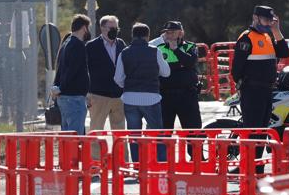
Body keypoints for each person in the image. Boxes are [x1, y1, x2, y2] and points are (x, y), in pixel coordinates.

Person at [231, 5, 289, 172]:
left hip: (266, 90)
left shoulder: (267, 36)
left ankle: (256, 167)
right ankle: (248, 167)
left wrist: (277, 30)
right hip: (252, 90)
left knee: (263, 131)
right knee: (252, 130)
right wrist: (244, 85)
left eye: (271, 20)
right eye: (266, 20)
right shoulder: (246, 38)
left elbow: (284, 52)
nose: (268, 23)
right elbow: (236, 69)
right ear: (255, 18)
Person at [114, 23, 170, 162]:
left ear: (133, 35)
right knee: (158, 134)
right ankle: (160, 163)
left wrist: (128, 86)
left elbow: (118, 78)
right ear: (147, 36)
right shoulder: (154, 51)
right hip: (151, 97)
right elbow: (166, 72)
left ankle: (138, 166)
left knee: (134, 136)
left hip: (130, 98)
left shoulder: (124, 53)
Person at [86, 15, 127, 158]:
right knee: (96, 131)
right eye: (112, 28)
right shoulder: (91, 46)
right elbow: (85, 70)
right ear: (102, 28)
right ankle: (95, 164)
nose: (115, 31)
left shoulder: (121, 44)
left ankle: (122, 163)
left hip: (118, 96)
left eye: (117, 28)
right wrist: (86, 93)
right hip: (98, 95)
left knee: (120, 133)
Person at [150, 21, 202, 131]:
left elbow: (190, 63)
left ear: (181, 33)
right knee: (164, 133)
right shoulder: (159, 48)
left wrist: (176, 50)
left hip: (187, 95)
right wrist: (181, 65)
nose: (169, 35)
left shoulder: (190, 46)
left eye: (172, 32)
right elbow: (159, 69)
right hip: (166, 96)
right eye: (167, 33)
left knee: (193, 131)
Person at [52, 14, 92, 135]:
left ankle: (67, 155)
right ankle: (74, 155)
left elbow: (60, 69)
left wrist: (57, 87)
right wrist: (61, 88)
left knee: (67, 137)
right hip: (74, 98)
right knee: (76, 138)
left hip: (64, 98)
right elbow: (72, 71)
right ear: (84, 28)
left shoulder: (66, 44)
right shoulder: (78, 45)